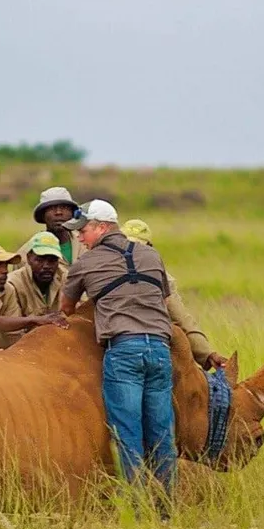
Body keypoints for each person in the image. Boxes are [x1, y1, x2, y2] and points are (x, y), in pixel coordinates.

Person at [59, 200, 176, 504]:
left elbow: (66, 309)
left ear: (101, 227)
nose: (80, 238)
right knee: (162, 433)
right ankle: (164, 506)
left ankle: (137, 507)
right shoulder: (151, 254)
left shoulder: (85, 263)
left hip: (124, 350)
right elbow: (162, 300)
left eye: (83, 230)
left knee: (128, 433)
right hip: (161, 350)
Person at [121, 219, 227, 370]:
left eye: (138, 247)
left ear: (149, 248)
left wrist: (206, 354)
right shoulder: (106, 270)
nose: (132, 252)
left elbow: (181, 317)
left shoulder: (163, 277)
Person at [16, 187, 84, 269]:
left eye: (64, 208)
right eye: (51, 208)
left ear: (72, 213)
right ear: (43, 215)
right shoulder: (26, 254)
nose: (58, 212)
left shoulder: (86, 243)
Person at [8, 231, 67, 317]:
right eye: (40, 260)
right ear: (28, 258)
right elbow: (12, 326)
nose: (46, 266)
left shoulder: (67, 278)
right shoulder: (13, 284)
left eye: (52, 260)